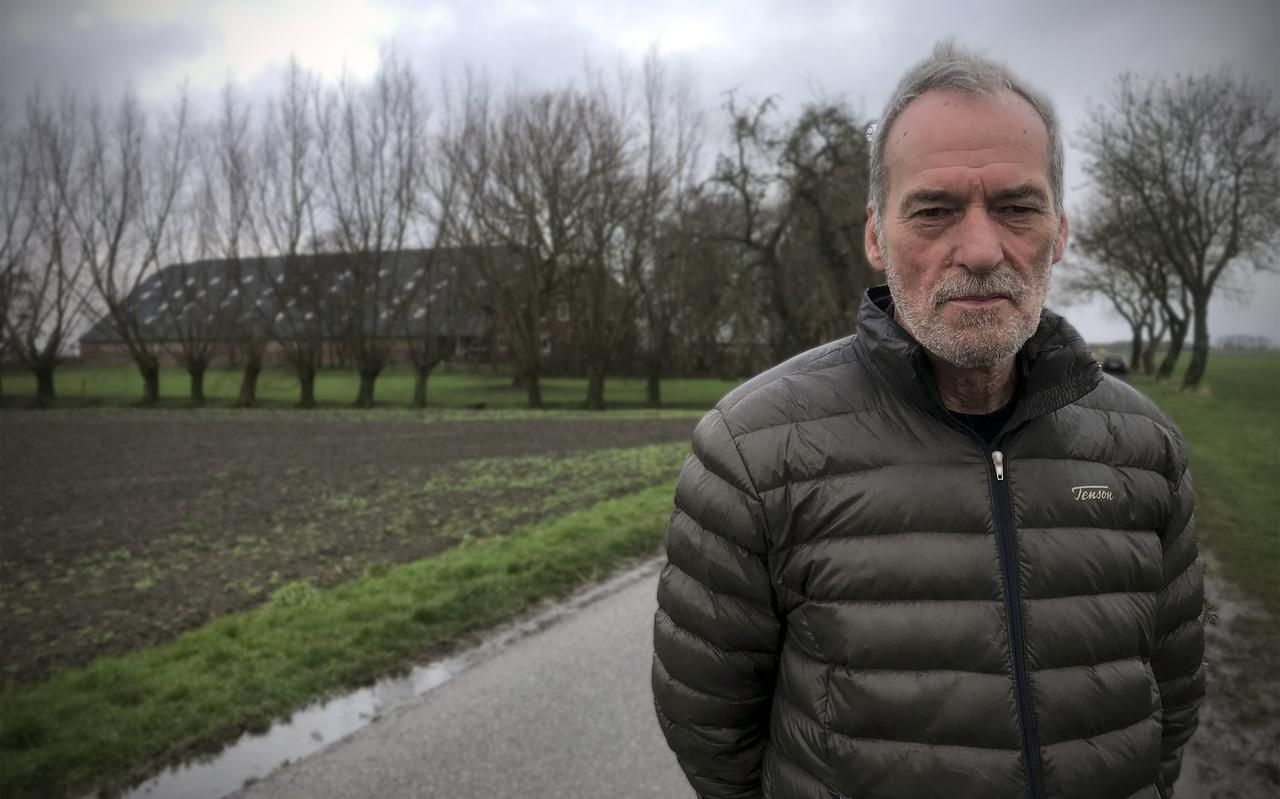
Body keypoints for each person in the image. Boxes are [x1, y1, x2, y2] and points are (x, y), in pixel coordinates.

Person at [651, 40, 1204, 799]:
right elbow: (710, 729)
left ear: (1061, 233)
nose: (980, 249)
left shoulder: (1145, 452)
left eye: (1016, 207)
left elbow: (1168, 710)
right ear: (877, 236)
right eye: (935, 210)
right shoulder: (751, 454)